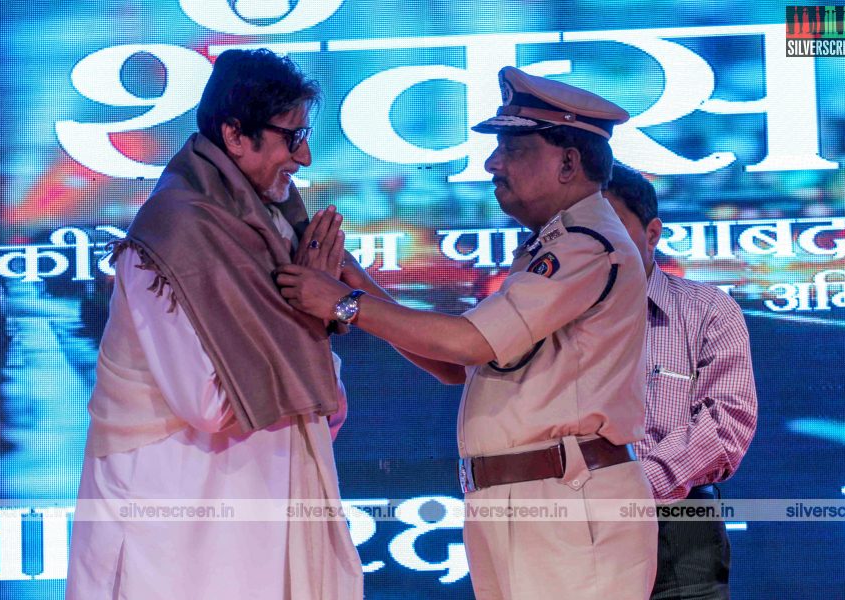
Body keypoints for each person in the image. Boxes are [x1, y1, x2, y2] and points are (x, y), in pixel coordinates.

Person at [277, 66, 657, 599]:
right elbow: (459, 364)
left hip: (566, 501)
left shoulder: (585, 245)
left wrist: (345, 303)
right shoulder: (553, 245)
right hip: (534, 499)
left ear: (568, 161)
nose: (492, 162)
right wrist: (359, 287)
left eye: (513, 148)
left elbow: (469, 342)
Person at [66, 49, 363, 599]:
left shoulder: (271, 226)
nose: (305, 157)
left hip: (257, 500)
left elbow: (325, 400)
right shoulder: (171, 238)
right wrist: (308, 319)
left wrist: (317, 312)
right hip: (178, 515)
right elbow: (210, 404)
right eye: (290, 138)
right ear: (234, 135)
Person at [605, 163, 758, 600]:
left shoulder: (708, 309)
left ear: (652, 233)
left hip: (678, 525)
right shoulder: (548, 312)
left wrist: (628, 492)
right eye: (583, 231)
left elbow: (725, 427)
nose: (595, 245)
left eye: (610, 227)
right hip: (566, 527)